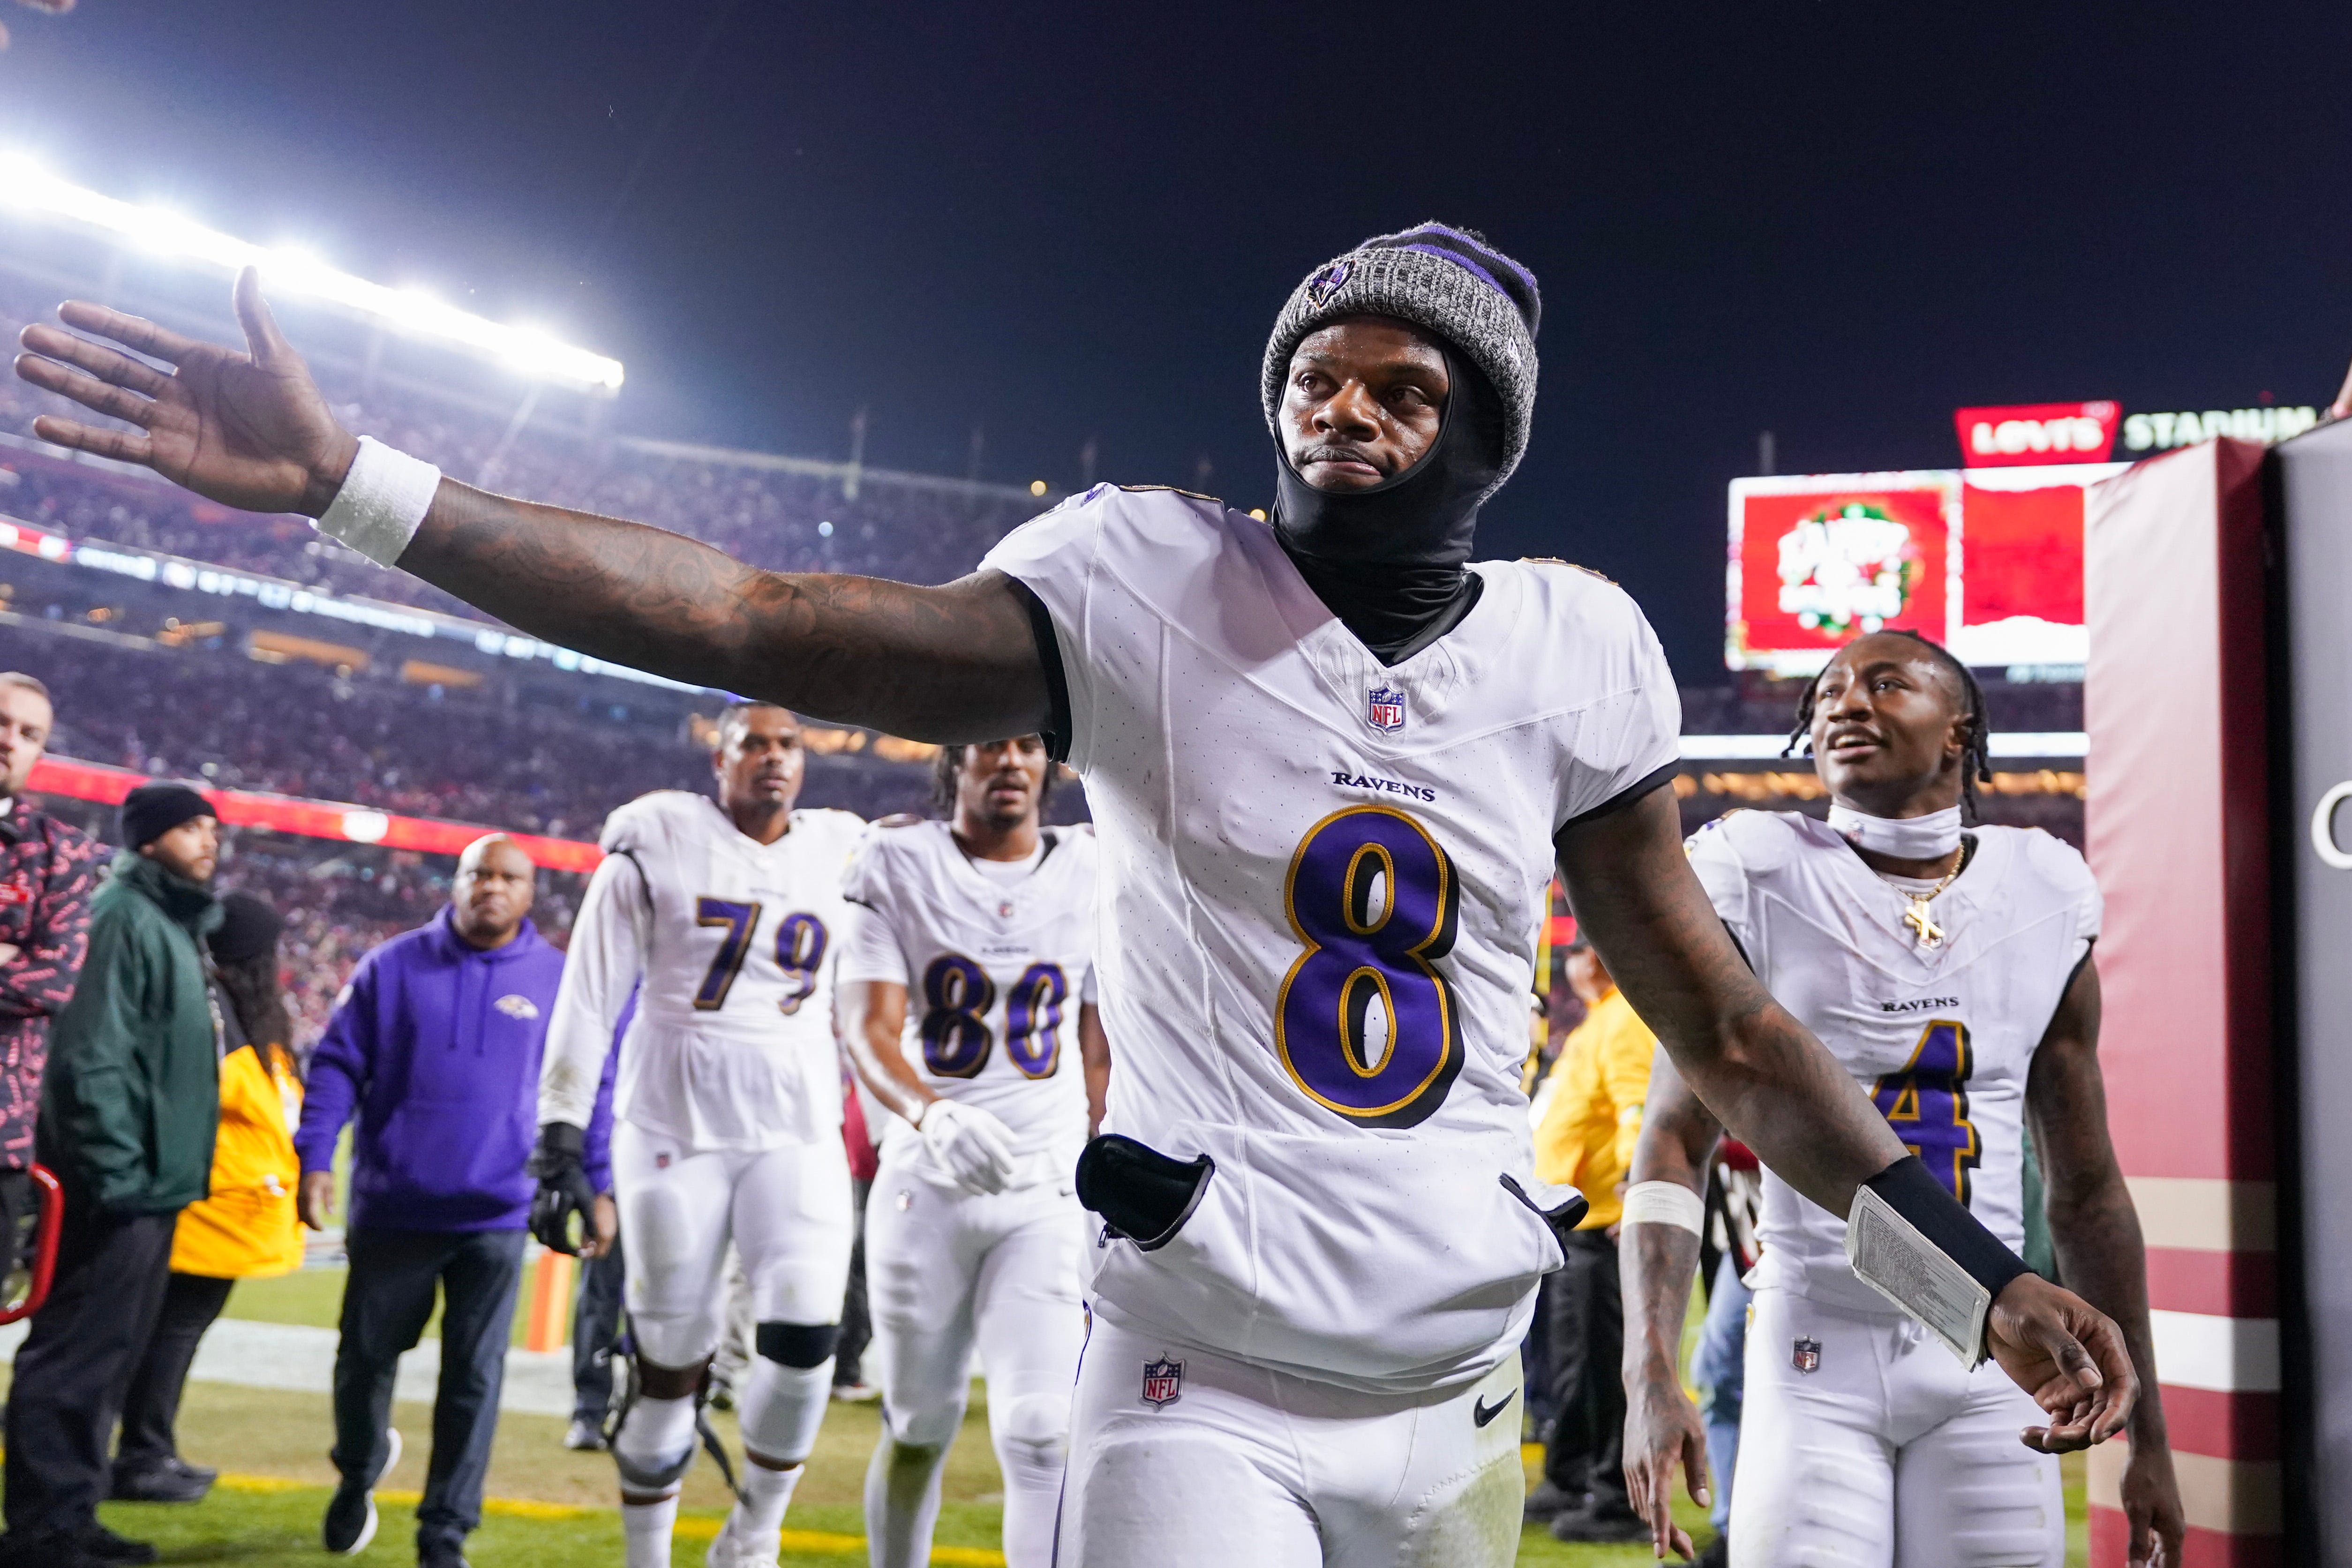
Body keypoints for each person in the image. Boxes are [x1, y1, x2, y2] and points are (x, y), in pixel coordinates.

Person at [16, 231, 2137, 1567]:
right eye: (1321, 371)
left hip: (1458, 1388)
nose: (1346, 405)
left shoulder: (1575, 644)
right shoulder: (1143, 581)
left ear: (1484, 435)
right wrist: (367, 493)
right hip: (1194, 1365)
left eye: (1406, 386)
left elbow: (1738, 1039)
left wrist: (1970, 1276)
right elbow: (772, 611)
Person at [1618, 631, 2187, 1567]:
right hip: (1815, 1343)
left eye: (1884, 682)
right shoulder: (1755, 869)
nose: (1845, 702)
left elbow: (2085, 1188)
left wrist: (2150, 1438)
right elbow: (1672, 1140)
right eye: (1829, 689)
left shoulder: (2043, 887)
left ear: (1959, 725)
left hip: (2004, 1353)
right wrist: (1650, 1369)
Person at [530, 704, 864, 1568]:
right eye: (753, 743)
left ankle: (753, 1535)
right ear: (718, 760)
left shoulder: (843, 848)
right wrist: (561, 1134)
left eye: (789, 743)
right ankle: (648, 1555)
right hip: (673, 1119)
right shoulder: (656, 836)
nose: (773, 758)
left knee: (803, 1347)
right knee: (668, 1363)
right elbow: (589, 997)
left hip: (796, 1122)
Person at [837, 736, 1108, 1568]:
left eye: (1029, 744)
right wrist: (932, 1115)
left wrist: (1101, 1147)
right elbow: (867, 1025)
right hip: (931, 1183)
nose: (1012, 761)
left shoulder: (1092, 866)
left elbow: (1099, 1041)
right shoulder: (893, 859)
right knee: (918, 1426)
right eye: (992, 743)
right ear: (957, 762)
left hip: (1045, 1187)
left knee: (1039, 1434)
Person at [293, 834, 574, 1568]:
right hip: (396, 1205)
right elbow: (336, 1065)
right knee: (363, 1361)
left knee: (474, 1379)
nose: (492, 885)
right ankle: (357, 1469)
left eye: (509, 876)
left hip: (498, 1212)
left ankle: (444, 1531)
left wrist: (593, 1180)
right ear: (455, 881)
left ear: (529, 891)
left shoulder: (557, 977)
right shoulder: (392, 965)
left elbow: (588, 1090)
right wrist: (316, 1155)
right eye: (478, 871)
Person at [1, 782, 221, 1568]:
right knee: (74, 1354)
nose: (207, 839)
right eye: (190, 826)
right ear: (149, 837)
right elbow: (87, 1056)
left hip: (152, 1180)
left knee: (107, 1356)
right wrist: (115, 1169)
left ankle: (71, 1512)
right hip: (118, 1182)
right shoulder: (123, 914)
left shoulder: (166, 918)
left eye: (212, 826)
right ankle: (42, 1529)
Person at [110, 890, 304, 1504]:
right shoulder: (215, 1004)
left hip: (227, 1204)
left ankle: (149, 1447)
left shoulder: (240, 1008)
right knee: (165, 1333)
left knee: (167, 1331)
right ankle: (142, 1453)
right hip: (207, 1205)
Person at [1523, 934, 1654, 1543]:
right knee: (1579, 1362)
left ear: (1592, 960)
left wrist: (1633, 1185)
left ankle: (1617, 1500)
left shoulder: (1623, 1018)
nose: (1572, 962)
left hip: (1605, 1219)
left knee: (1607, 1367)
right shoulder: (1602, 1019)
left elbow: (1636, 1106)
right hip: (1577, 1220)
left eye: (1577, 951)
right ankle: (1571, 1472)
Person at [0, 673, 100, 1279]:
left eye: (29, 733)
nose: (11, 740)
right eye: (2, 722)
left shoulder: (60, 851)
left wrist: (25, 962)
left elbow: (54, 980)